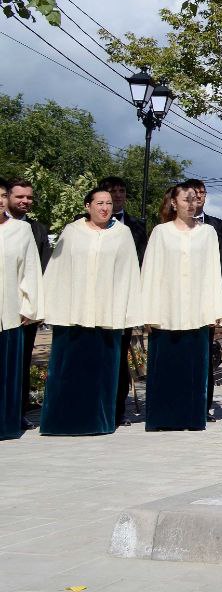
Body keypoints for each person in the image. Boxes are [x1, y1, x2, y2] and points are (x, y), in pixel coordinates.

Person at [40, 188, 143, 435]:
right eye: (99, 203)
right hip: (72, 313)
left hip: (107, 315)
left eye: (108, 203)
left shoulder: (122, 233)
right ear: (88, 206)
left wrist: (130, 312)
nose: (104, 208)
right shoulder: (72, 232)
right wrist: (49, 306)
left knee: (100, 374)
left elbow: (129, 274)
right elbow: (57, 270)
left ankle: (97, 422)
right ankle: (62, 421)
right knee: (68, 371)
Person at [138, 182, 222, 431]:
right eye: (185, 199)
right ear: (174, 202)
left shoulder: (207, 233)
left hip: (197, 312)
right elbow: (150, 272)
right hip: (166, 311)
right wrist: (148, 312)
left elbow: (212, 273)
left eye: (194, 199)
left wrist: (214, 310)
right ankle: (163, 418)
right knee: (166, 368)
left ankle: (191, 417)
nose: (191, 203)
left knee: (193, 369)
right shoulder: (161, 232)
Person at [101, 175, 145, 427]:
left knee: (120, 356)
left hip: (123, 301)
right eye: (112, 191)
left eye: (121, 191)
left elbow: (140, 265)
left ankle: (118, 410)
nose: (117, 196)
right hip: (95, 302)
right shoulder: (80, 223)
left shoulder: (137, 226)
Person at [6, 178, 50, 429]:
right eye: (19, 197)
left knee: (21, 363)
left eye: (29, 197)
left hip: (24, 311)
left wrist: (35, 306)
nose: (24, 201)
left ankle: (17, 411)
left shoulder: (37, 229)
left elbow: (42, 269)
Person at [0, 180, 42, 439]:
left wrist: (30, 305)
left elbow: (30, 270)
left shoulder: (21, 230)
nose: (0, 201)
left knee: (7, 374)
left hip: (9, 315)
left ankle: (6, 423)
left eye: (3, 196)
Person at [188, 178, 222, 421]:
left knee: (206, 356)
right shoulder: (167, 226)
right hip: (180, 302)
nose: (199, 197)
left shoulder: (217, 225)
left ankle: (203, 407)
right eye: (194, 193)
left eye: (202, 193)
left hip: (207, 300)